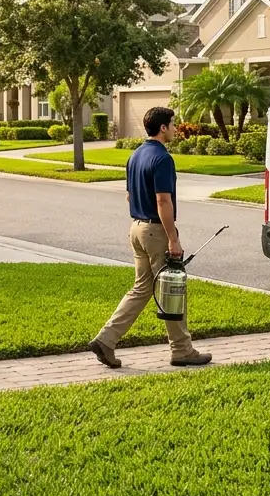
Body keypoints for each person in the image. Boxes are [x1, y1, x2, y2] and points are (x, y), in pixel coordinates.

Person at [88, 107, 212, 369]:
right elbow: (163, 200)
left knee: (143, 289)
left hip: (136, 229)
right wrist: (173, 238)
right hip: (155, 231)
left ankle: (106, 340)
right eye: (173, 124)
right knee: (171, 290)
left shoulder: (135, 156)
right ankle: (182, 351)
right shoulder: (163, 158)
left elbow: (129, 196)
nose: (176, 129)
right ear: (163, 128)